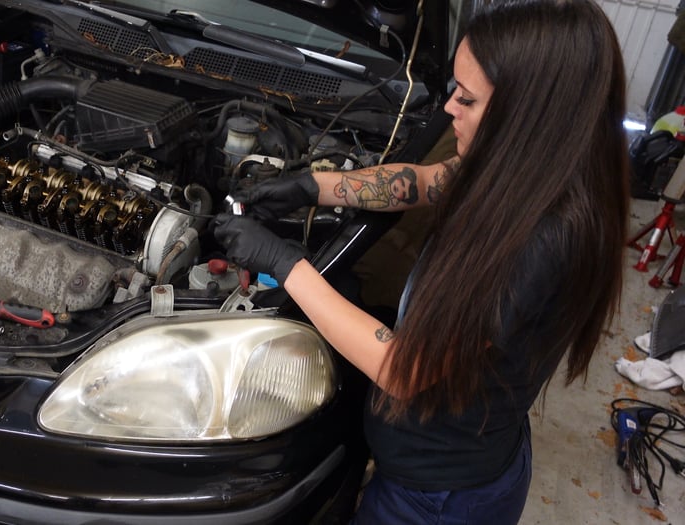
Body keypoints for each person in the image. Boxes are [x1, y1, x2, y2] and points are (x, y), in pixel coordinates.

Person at [212, 0, 629, 523]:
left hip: (437, 500)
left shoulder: (542, 238)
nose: (449, 106)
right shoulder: (516, 168)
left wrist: (287, 262)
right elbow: (429, 181)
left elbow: (404, 371)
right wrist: (312, 187)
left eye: (469, 99)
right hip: (437, 464)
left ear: (529, 116)